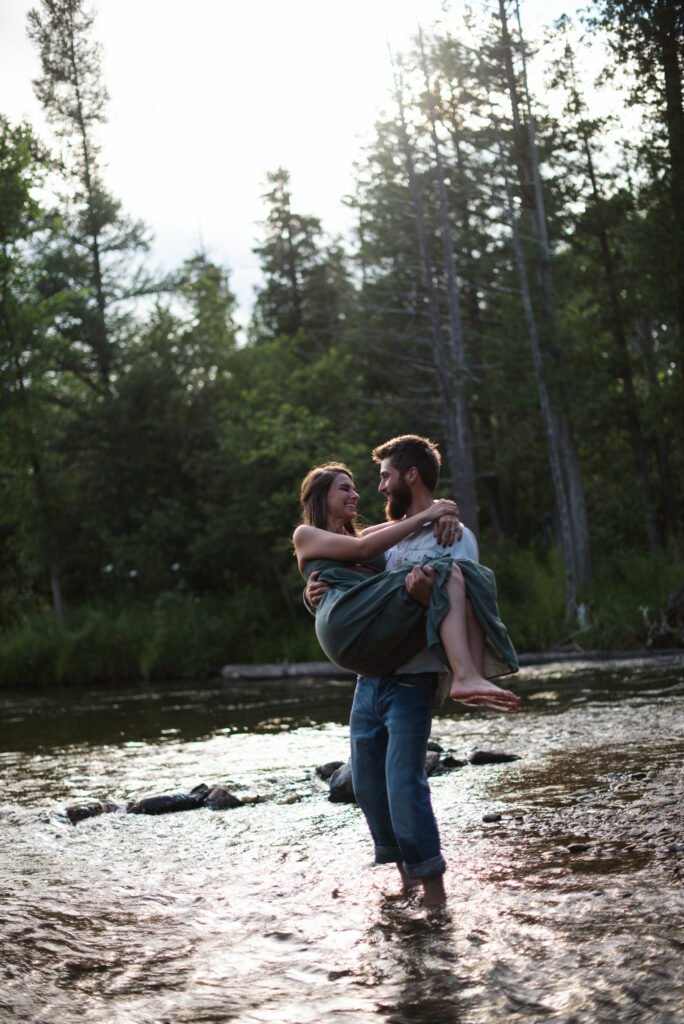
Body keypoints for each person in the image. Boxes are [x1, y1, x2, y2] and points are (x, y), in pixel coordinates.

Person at [295, 436, 519, 907]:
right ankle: (406, 884)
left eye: (383, 476)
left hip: (413, 680)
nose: (375, 488)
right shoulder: (386, 542)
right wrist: (311, 595)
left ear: (409, 476)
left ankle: (435, 899)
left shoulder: (451, 535)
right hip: (370, 681)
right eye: (352, 485)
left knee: (403, 784)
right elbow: (349, 569)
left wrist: (442, 524)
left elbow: (464, 596)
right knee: (371, 788)